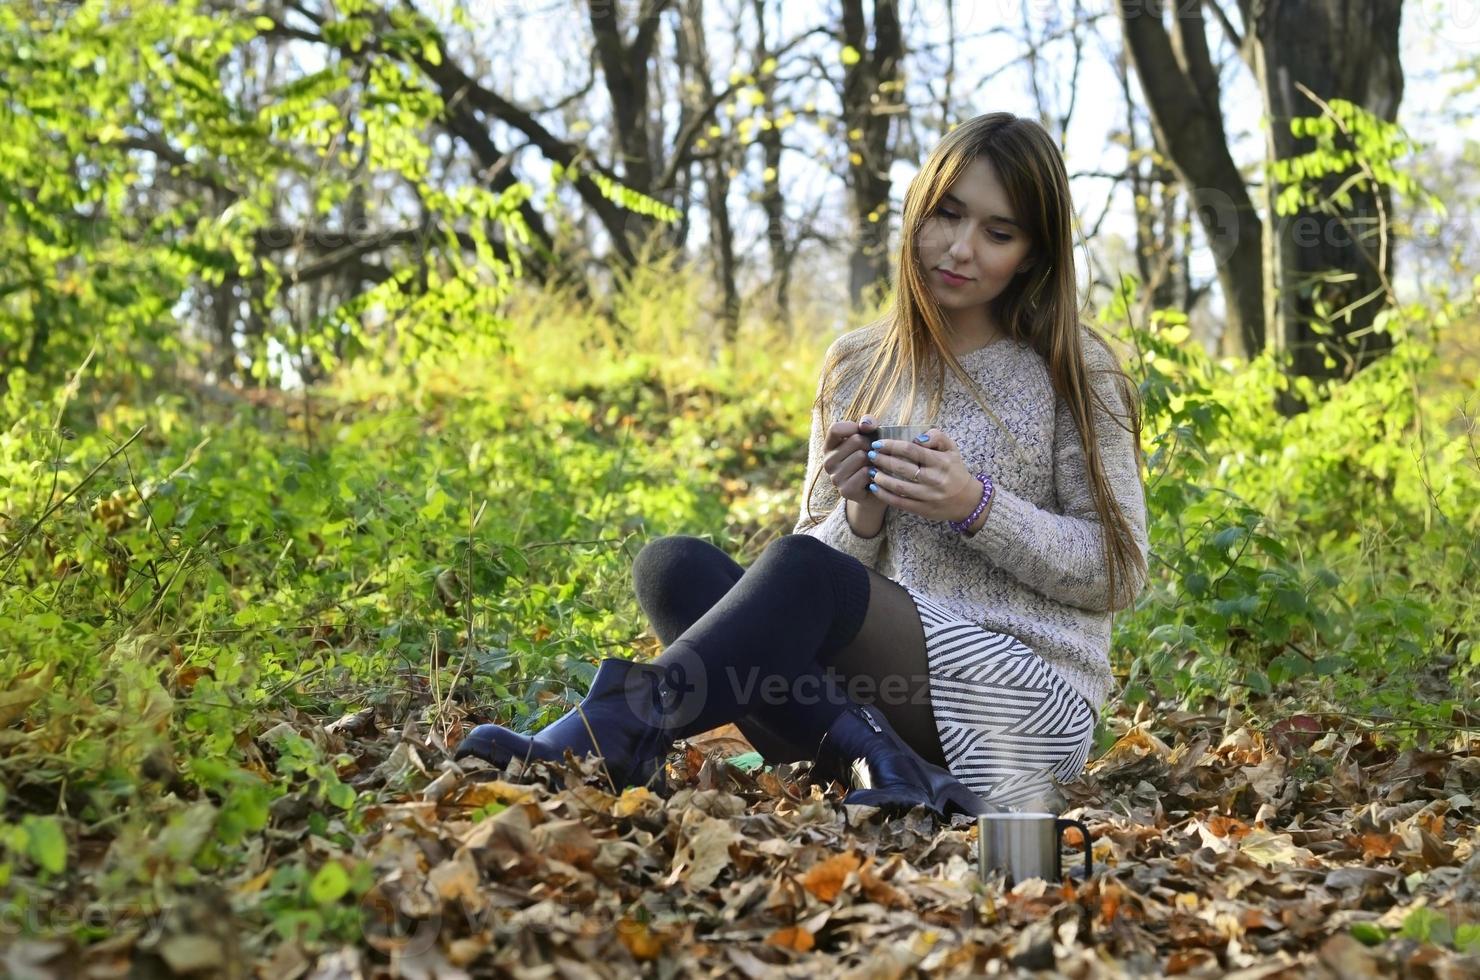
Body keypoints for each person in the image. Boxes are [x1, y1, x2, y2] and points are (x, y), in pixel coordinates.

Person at [454, 112, 1149, 818]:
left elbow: (1119, 571)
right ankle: (884, 762)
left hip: (1022, 702)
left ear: (1033, 253)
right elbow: (808, 566)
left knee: (798, 573)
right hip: (881, 695)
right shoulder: (856, 364)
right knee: (674, 568)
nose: (960, 248)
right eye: (947, 214)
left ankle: (616, 728)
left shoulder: (1076, 368)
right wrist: (860, 514)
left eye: (998, 233)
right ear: (919, 210)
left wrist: (977, 505)